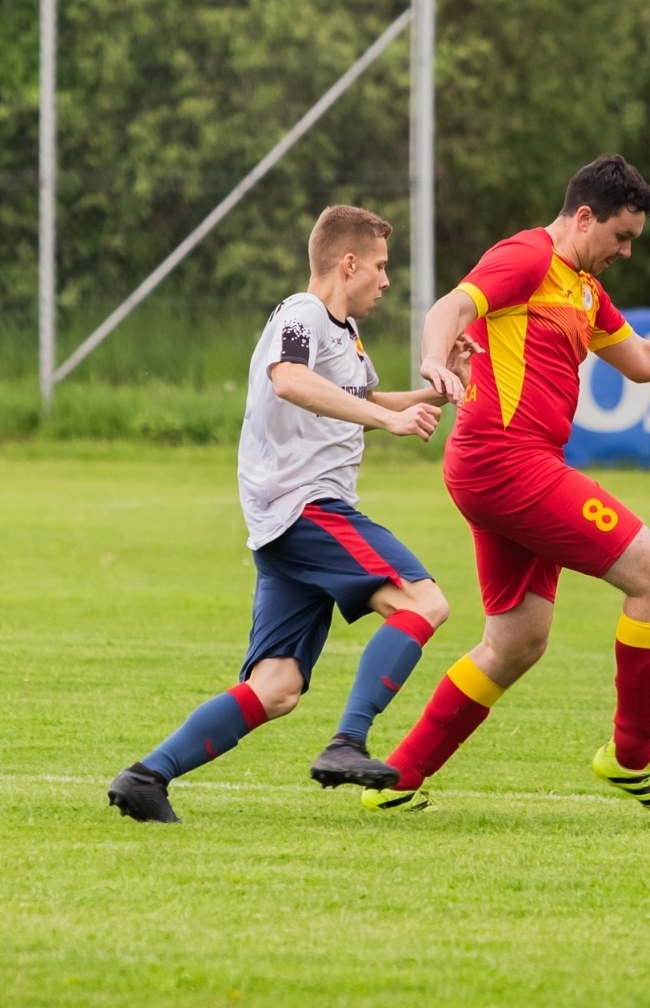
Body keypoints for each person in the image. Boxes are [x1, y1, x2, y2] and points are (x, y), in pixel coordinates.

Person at [362, 156, 650, 815]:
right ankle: (631, 759)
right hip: (507, 461)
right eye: (621, 236)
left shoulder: (584, 288)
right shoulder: (528, 258)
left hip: (503, 466)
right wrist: (432, 359)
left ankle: (398, 778)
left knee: (516, 643)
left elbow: (641, 359)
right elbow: (453, 305)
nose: (626, 251)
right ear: (585, 216)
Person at [108, 205, 474, 822]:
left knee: (276, 688)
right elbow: (289, 381)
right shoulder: (302, 313)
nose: (387, 280)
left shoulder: (344, 333)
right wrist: (387, 420)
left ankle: (146, 777)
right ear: (348, 263)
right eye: (381, 266)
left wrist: (438, 390)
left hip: (286, 527)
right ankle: (348, 742)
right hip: (306, 506)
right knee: (424, 603)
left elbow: (358, 399)